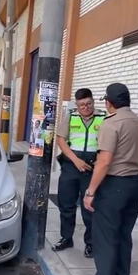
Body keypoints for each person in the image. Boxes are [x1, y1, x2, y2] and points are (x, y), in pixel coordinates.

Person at [76, 83, 138, 275]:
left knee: (105, 237)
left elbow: (105, 161)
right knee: (123, 235)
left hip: (113, 186)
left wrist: (90, 192)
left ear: (109, 102)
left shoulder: (111, 123)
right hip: (134, 186)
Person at [53, 88, 104, 258]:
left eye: (89, 104)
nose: (85, 108)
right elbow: (61, 139)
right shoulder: (71, 116)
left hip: (92, 168)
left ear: (93, 102)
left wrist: (100, 161)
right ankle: (66, 238)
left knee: (89, 208)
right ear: (76, 104)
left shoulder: (103, 118)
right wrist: (75, 160)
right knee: (66, 204)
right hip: (71, 165)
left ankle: (90, 243)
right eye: (82, 105)